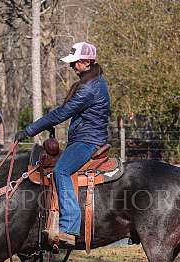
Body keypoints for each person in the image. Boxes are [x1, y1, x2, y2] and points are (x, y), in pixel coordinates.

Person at [14, 41, 110, 246]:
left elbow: (62, 113)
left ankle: (69, 226)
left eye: (75, 63)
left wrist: (29, 131)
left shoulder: (89, 89)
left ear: (86, 62)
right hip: (86, 138)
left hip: (87, 141)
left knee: (61, 171)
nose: (72, 66)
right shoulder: (91, 82)